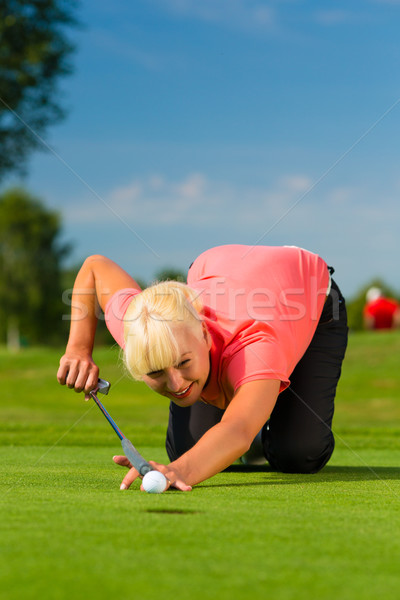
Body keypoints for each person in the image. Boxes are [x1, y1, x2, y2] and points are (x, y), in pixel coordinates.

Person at [57, 245, 348, 492]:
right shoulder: (141, 328)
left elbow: (238, 429)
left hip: (310, 298)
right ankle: (256, 408)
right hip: (221, 272)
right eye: (156, 372)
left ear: (204, 334)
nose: (176, 384)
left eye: (183, 363)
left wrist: (178, 472)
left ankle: (267, 415)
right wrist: (78, 349)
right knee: (188, 449)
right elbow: (95, 267)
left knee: (299, 455)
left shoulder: (255, 344)